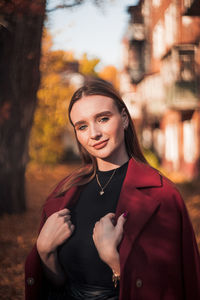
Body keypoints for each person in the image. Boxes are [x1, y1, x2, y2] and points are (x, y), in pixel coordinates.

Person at [25, 80, 200, 300]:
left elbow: (176, 286)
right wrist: (44, 252)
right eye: (82, 126)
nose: (94, 133)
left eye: (103, 119)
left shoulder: (162, 194)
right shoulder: (64, 193)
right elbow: (57, 285)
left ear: (125, 119)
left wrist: (114, 260)